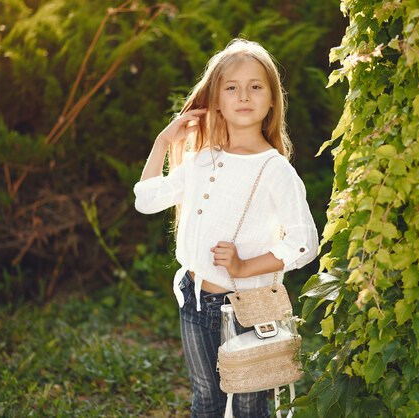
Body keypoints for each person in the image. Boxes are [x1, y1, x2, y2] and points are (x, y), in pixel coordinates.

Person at [133, 38, 318, 418]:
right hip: (195, 298)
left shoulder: (275, 169)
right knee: (206, 399)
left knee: (250, 405)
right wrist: (163, 141)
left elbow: (305, 244)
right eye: (231, 87)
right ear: (216, 99)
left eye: (256, 86)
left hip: (247, 308)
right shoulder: (203, 159)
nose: (243, 95)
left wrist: (243, 267)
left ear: (271, 100)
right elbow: (146, 200)